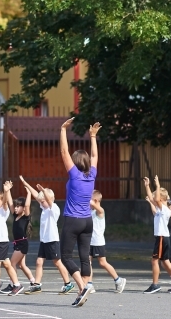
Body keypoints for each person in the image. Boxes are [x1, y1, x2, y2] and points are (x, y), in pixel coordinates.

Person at [59, 117, 101, 307]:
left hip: (73, 220)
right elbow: (94, 157)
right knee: (85, 257)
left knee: (66, 256)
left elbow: (63, 151)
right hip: (87, 221)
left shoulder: (74, 174)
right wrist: (92, 136)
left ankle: (81, 287)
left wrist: (62, 130)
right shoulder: (91, 175)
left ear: (75, 163)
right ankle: (84, 288)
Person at [19, 177, 73, 295]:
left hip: (52, 240)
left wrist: (44, 191)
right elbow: (36, 196)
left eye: (43, 201)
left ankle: (68, 283)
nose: (41, 203)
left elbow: (48, 200)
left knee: (57, 262)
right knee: (39, 262)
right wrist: (25, 183)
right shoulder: (44, 208)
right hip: (44, 240)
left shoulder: (54, 209)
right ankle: (37, 285)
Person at [143, 177, 171, 293]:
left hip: (162, 237)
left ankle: (155, 285)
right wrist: (147, 186)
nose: (154, 200)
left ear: (161, 198)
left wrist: (158, 185)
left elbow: (155, 198)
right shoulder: (160, 209)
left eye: (157, 197)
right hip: (162, 238)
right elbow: (151, 198)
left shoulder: (164, 209)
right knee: (166, 262)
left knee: (154, 261)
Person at [87, 189, 127, 294]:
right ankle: (89, 284)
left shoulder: (100, 211)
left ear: (95, 200)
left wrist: (85, 196)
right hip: (89, 241)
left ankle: (118, 280)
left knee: (103, 263)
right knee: (87, 261)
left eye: (90, 200)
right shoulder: (90, 211)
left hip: (98, 241)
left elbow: (95, 206)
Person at [9, 191, 36, 292]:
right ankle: (33, 281)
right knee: (21, 265)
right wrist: (7, 191)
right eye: (15, 206)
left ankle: (14, 284)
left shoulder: (25, 217)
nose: (15, 208)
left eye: (18, 206)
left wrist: (29, 192)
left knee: (12, 263)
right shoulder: (16, 216)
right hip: (17, 243)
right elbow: (9, 202)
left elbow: (28, 204)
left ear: (24, 208)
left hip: (22, 244)